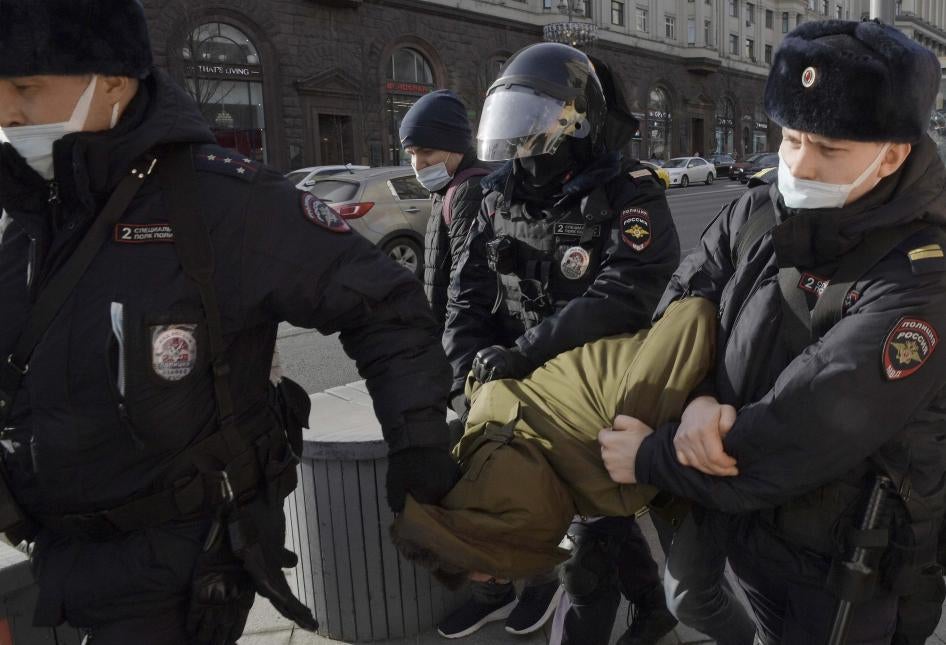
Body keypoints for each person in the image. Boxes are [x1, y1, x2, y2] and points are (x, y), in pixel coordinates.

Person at [0, 1, 458, 643]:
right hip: (44, 555)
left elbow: (385, 305)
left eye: (24, 86)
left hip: (178, 570)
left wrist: (416, 445)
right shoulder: (21, 214)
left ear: (111, 82)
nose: (7, 112)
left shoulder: (225, 205)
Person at [598, 19, 946, 644]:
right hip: (752, 525)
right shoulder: (759, 208)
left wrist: (652, 456)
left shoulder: (922, 275)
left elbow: (808, 424)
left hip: (847, 565)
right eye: (790, 139)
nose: (800, 164)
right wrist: (700, 393)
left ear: (892, 153)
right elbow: (687, 300)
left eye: (830, 150)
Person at [441, 42, 679, 645]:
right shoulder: (496, 196)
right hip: (518, 388)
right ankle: (653, 610)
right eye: (511, 125)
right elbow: (464, 298)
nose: (520, 143)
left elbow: (623, 294)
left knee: (589, 542)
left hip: (593, 392)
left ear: (574, 121)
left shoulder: (628, 193)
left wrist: (526, 354)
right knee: (597, 516)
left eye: (532, 124)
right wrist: (466, 374)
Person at [399, 90, 494, 336]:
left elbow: (466, 290)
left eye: (427, 152)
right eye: (411, 153)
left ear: (456, 147)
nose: (418, 164)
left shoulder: (470, 190)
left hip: (462, 341)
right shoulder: (445, 188)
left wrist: (449, 349)